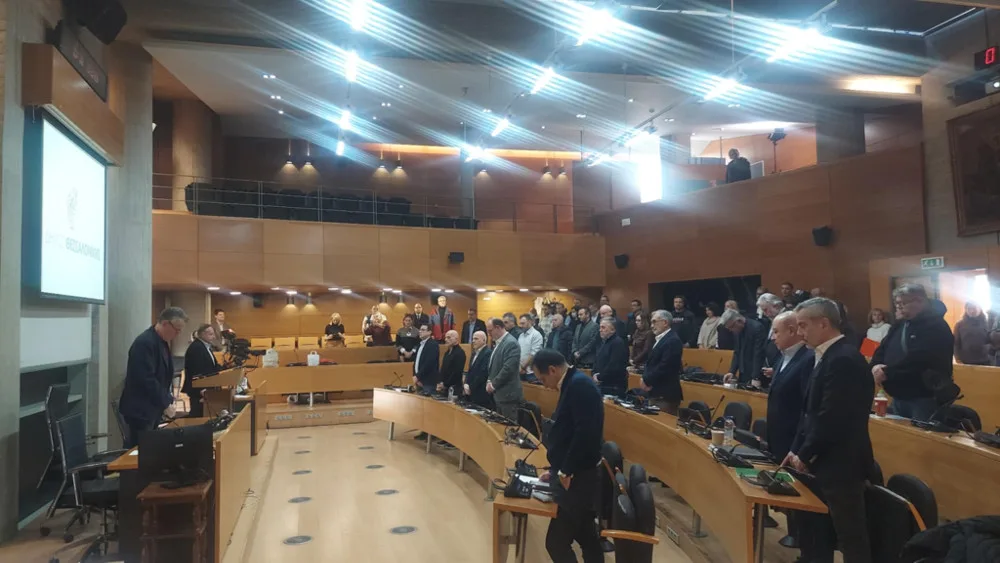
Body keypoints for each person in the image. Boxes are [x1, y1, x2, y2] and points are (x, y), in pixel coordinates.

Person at [786, 298, 874, 563]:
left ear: (823, 324)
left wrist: (806, 453)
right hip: (826, 458)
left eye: (804, 325)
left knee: (850, 535)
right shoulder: (827, 355)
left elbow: (832, 417)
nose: (799, 332)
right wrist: (796, 449)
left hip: (841, 461)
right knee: (821, 528)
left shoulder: (843, 359)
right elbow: (810, 411)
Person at [531, 350, 605, 563]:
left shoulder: (580, 385)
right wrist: (555, 470)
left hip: (578, 478)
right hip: (575, 473)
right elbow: (570, 430)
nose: (544, 385)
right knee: (586, 536)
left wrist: (566, 470)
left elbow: (585, 434)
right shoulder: (573, 382)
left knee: (556, 543)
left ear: (552, 370)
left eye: (543, 379)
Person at [870, 284, 954, 421]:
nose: (898, 307)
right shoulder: (900, 324)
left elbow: (921, 359)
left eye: (903, 303)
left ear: (919, 301)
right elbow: (883, 347)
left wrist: (887, 372)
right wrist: (875, 365)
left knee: (921, 434)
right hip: (898, 394)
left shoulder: (936, 326)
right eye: (897, 303)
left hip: (924, 396)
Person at [119, 307, 188, 448]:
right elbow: (146, 379)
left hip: (152, 408)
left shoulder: (161, 341)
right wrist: (165, 403)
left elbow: (163, 377)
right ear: (165, 323)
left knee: (152, 449)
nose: (178, 334)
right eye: (177, 329)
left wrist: (168, 399)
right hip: (141, 410)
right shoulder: (145, 343)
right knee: (141, 452)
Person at [762, 312, 813, 461]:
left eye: (776, 332)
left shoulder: (808, 358)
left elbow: (807, 407)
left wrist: (797, 449)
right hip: (776, 440)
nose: (772, 337)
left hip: (793, 444)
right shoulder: (782, 356)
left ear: (791, 331)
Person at [639, 310, 683, 414]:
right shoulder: (661, 339)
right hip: (656, 392)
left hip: (665, 394)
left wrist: (647, 380)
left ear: (665, 322)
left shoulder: (672, 340)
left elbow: (665, 366)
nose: (652, 326)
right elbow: (652, 363)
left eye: (654, 322)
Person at [486, 318, 523, 419]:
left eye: (490, 331)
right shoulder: (499, 342)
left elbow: (508, 368)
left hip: (508, 396)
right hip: (499, 394)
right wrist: (489, 380)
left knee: (508, 426)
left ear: (498, 328)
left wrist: (493, 384)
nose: (488, 334)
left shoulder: (511, 343)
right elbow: (494, 366)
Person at [721, 308, 768, 386]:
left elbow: (758, 354)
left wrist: (756, 377)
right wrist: (732, 372)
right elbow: (737, 352)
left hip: (756, 373)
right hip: (743, 372)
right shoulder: (737, 331)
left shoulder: (757, 328)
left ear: (739, 321)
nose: (731, 330)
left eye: (731, 327)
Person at [182, 323, 217, 418]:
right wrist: (201, 388)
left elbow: (212, 366)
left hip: (207, 387)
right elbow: (196, 369)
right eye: (211, 334)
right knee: (197, 416)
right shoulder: (196, 348)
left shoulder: (205, 347)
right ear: (203, 334)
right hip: (199, 389)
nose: (214, 337)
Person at [593, 319, 628, 397]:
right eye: (600, 327)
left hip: (613, 386)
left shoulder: (617, 343)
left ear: (612, 330)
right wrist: (595, 374)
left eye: (603, 327)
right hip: (604, 383)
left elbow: (614, 366)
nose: (600, 330)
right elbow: (598, 360)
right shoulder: (605, 342)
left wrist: (599, 377)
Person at [954, 301, 991, 365]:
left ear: (980, 308)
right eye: (969, 309)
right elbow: (956, 343)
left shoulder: (988, 323)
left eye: (974, 308)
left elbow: (991, 341)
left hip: (985, 360)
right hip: (965, 361)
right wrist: (957, 358)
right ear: (966, 310)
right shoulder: (959, 324)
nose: (972, 311)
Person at [464, 330, 494, 408]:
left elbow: (482, 374)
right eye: (473, 339)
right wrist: (466, 384)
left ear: (484, 340)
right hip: (471, 392)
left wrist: (470, 387)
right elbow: (470, 371)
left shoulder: (488, 353)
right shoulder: (474, 353)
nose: (473, 341)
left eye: (476, 339)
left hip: (481, 393)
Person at [437, 330, 466, 397]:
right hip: (444, 387)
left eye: (449, 337)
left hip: (454, 388)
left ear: (456, 339)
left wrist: (445, 384)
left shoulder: (460, 353)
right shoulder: (447, 352)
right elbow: (443, 369)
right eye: (445, 337)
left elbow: (456, 372)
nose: (446, 340)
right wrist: (440, 382)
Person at [517, 314, 544, 383]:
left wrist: (523, 367)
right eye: (520, 323)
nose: (521, 326)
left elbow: (534, 354)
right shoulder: (521, 335)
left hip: (532, 372)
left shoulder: (536, 335)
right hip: (521, 370)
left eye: (523, 323)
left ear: (529, 322)